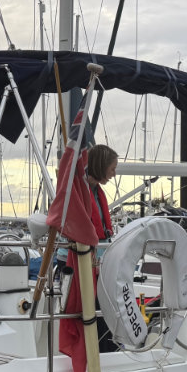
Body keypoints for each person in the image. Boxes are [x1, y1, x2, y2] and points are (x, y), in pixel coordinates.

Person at [85, 144, 118, 352]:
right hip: (85, 264)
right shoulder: (81, 191)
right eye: (112, 169)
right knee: (94, 311)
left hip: (99, 262)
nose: (114, 174)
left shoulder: (96, 193)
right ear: (101, 166)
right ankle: (99, 353)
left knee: (105, 310)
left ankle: (107, 350)